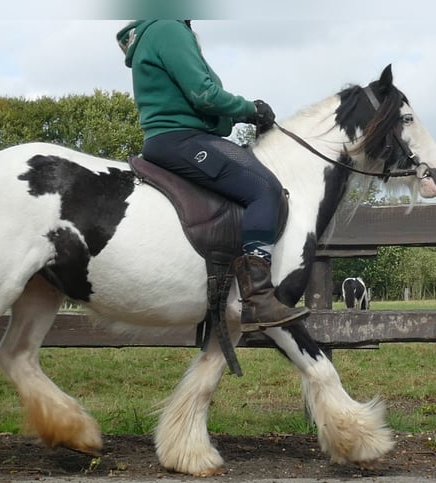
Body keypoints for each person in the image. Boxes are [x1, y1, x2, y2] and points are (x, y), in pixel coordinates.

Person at [116, 19, 309, 332]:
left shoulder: (160, 29)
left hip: (177, 138)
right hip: (182, 139)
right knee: (264, 189)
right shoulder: (168, 28)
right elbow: (204, 94)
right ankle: (257, 297)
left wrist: (229, 119)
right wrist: (251, 108)